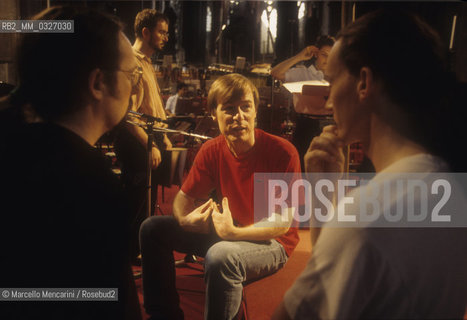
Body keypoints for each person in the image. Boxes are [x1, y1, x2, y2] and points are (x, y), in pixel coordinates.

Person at [273, 10, 467, 319]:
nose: (327, 102)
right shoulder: (451, 185)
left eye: (332, 82)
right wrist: (326, 189)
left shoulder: (365, 216)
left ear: (364, 83)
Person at [0, 6, 141, 320]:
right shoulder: (92, 185)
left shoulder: (13, 145)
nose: (134, 86)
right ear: (98, 83)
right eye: (131, 74)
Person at [139, 73, 301, 320]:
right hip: (230, 229)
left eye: (246, 107)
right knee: (152, 228)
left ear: (255, 110)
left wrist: (233, 234)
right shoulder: (212, 150)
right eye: (229, 109)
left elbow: (281, 223)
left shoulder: (282, 152)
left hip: (274, 242)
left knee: (220, 255)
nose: (239, 117)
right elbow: (182, 199)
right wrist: (185, 220)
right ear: (214, 114)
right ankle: (164, 314)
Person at [113, 9, 172, 263]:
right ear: (145, 32)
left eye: (167, 33)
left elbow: (149, 108)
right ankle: (126, 256)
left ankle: (139, 250)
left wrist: (164, 137)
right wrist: (151, 144)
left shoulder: (145, 62)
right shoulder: (132, 64)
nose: (165, 38)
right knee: (135, 203)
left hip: (150, 140)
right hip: (137, 142)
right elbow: (128, 115)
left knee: (146, 201)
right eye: (161, 32)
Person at [271, 36, 335, 169]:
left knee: (328, 172)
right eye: (324, 55)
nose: (327, 60)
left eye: (332, 56)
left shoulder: (339, 76)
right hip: (306, 126)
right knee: (302, 169)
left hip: (330, 126)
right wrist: (299, 57)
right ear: (316, 54)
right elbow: (275, 73)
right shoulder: (303, 73)